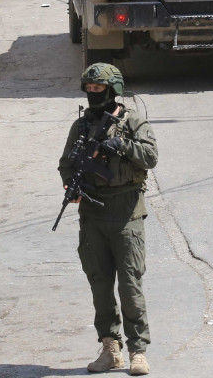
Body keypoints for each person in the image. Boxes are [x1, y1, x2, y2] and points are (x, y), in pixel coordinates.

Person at [59, 64, 158, 376]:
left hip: (126, 214)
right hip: (92, 215)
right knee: (100, 286)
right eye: (89, 89)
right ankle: (110, 348)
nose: (92, 94)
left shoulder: (133, 121)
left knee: (130, 285)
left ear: (113, 90)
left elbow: (151, 157)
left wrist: (123, 145)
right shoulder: (81, 126)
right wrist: (71, 185)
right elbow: (66, 163)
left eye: (98, 89)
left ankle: (138, 351)